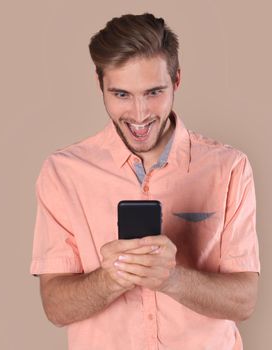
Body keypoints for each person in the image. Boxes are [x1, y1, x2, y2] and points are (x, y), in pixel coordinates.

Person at [30, 13, 260, 350]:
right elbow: (55, 307)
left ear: (176, 81)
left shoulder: (229, 168)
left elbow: (244, 301)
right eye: (122, 95)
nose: (139, 115)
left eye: (153, 92)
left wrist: (173, 279)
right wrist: (110, 279)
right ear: (100, 86)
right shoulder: (63, 173)